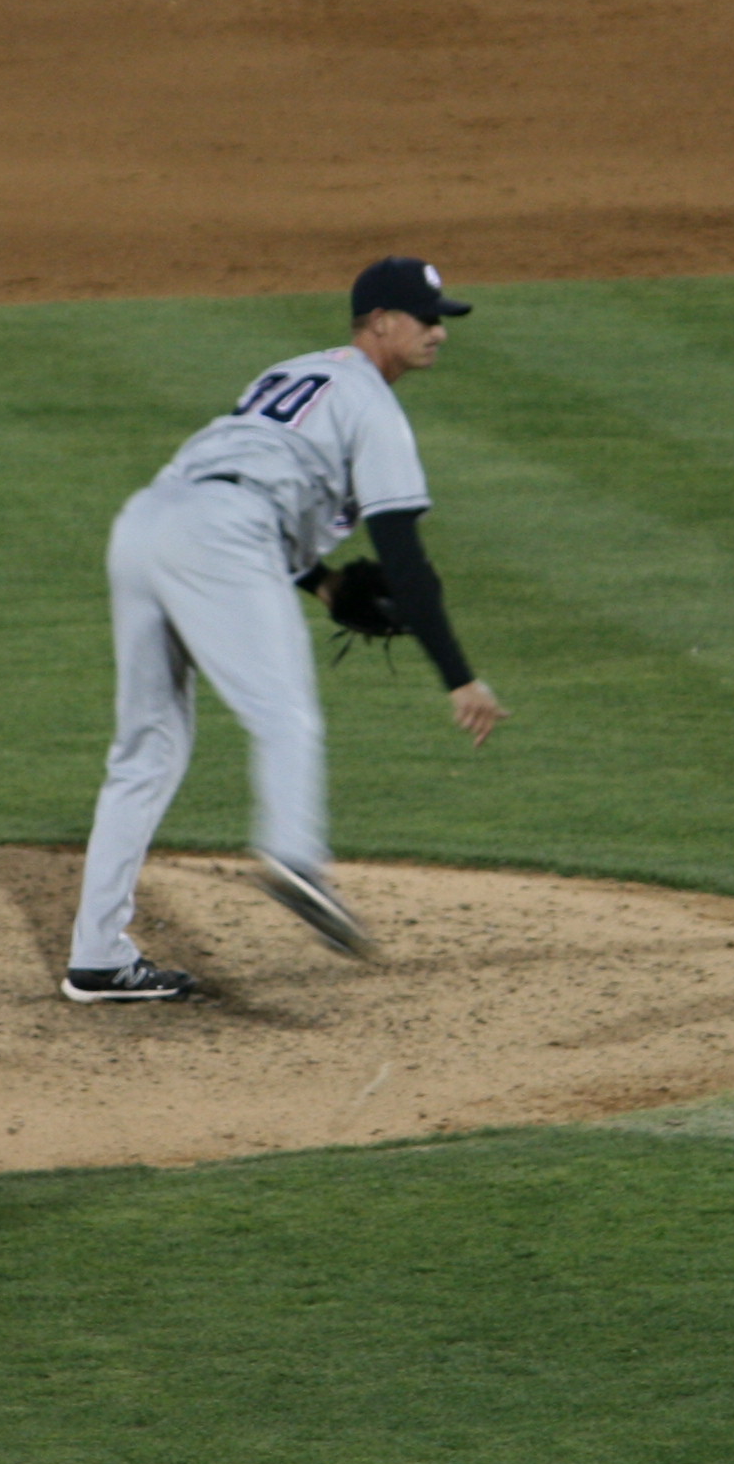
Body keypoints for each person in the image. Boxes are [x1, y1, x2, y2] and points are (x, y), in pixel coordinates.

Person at [62, 256, 507, 1002]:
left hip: (146, 524)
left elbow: (260, 493)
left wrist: (327, 586)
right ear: (380, 323)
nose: (439, 332)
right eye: (426, 319)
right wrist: (459, 677)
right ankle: (295, 857)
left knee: (146, 750)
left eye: (442, 320)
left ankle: (97, 956)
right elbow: (404, 556)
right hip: (223, 532)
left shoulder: (298, 373)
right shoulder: (373, 406)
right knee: (285, 716)